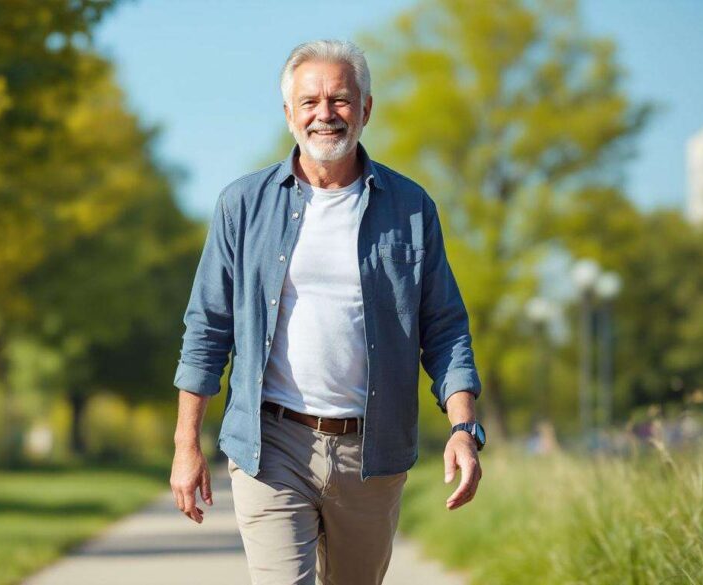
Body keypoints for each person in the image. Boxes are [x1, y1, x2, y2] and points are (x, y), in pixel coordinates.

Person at [170, 39, 485, 585]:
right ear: (289, 113)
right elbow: (207, 328)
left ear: (365, 109)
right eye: (310, 101)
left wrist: (463, 427)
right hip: (270, 445)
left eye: (340, 100)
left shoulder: (410, 209)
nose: (325, 114)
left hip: (372, 449)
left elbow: (444, 327)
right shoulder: (242, 206)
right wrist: (185, 445)